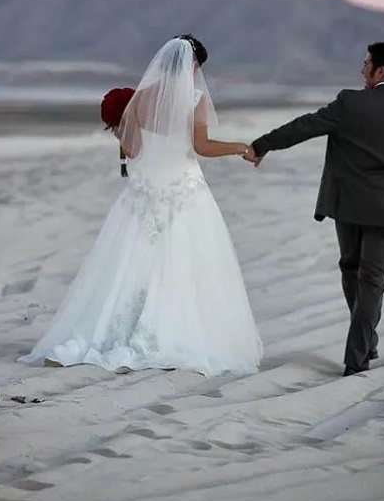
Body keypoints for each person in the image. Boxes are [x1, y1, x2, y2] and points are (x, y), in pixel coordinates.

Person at [19, 35, 262, 376]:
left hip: (143, 193)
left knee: (131, 267)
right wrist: (240, 147)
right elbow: (202, 146)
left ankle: (118, 331)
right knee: (183, 267)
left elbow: (132, 150)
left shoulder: (141, 99)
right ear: (192, 66)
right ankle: (166, 334)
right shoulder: (195, 99)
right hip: (184, 194)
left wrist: (121, 132)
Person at [244, 42, 384, 376]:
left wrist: (263, 144)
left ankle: (357, 360)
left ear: (381, 71)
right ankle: (365, 347)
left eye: (366, 64)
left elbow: (306, 126)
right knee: (371, 281)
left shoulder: (350, 102)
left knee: (353, 271)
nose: (361, 70)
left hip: (348, 207)